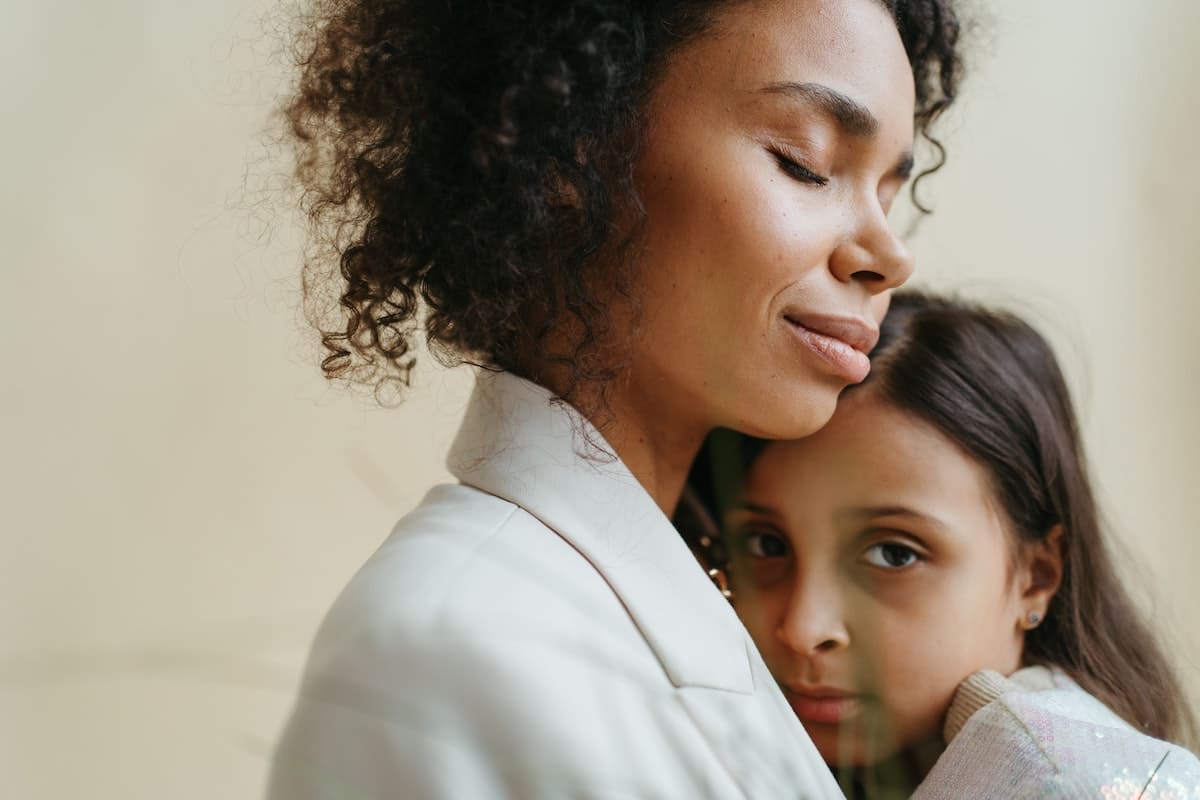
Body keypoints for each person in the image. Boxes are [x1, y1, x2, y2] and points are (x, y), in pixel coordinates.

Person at [268, 1, 963, 797]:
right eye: (805, 162)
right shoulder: (450, 648)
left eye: (888, 190)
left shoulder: (722, 615)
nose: (888, 254)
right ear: (571, 144)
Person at [683, 291, 1200, 798]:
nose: (803, 629)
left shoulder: (1068, 777)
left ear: (1036, 577)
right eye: (766, 544)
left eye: (894, 553)